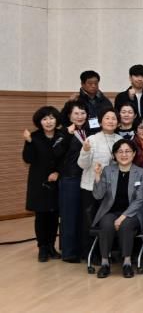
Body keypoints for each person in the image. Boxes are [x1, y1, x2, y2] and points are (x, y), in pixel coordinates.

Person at [91, 140, 143, 278]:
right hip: (110, 211)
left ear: (134, 154)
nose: (124, 155)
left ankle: (127, 263)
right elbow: (98, 195)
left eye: (127, 151)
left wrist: (122, 217)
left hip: (132, 214)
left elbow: (140, 199)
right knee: (106, 224)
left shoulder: (141, 172)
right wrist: (97, 176)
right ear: (114, 155)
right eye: (120, 151)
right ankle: (105, 263)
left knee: (126, 225)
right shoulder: (108, 170)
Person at [78, 108, 123, 260]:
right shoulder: (91, 139)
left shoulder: (120, 140)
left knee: (107, 222)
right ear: (100, 122)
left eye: (114, 118)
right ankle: (91, 254)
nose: (110, 121)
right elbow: (82, 165)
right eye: (107, 118)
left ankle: (107, 252)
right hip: (91, 187)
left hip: (111, 190)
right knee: (91, 222)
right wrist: (85, 151)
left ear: (118, 123)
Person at [23, 106, 65, 262]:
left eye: (51, 118)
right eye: (45, 119)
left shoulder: (62, 136)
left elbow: (65, 159)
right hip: (39, 182)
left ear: (56, 120)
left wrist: (58, 172)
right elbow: (28, 159)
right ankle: (42, 248)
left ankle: (51, 247)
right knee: (41, 216)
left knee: (53, 216)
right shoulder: (34, 137)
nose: (48, 122)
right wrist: (29, 142)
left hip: (56, 182)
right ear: (39, 122)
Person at [58, 100, 89, 262]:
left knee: (83, 216)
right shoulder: (63, 132)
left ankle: (82, 250)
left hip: (86, 177)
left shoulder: (87, 131)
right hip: (70, 178)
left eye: (83, 113)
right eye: (76, 113)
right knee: (69, 215)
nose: (80, 116)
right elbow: (56, 153)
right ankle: (69, 252)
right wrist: (66, 135)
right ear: (69, 115)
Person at [114, 64, 143, 132]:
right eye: (136, 76)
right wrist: (130, 99)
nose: (140, 79)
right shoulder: (121, 97)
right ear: (130, 78)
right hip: (126, 133)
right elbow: (118, 118)